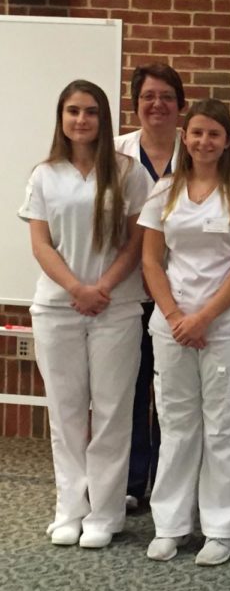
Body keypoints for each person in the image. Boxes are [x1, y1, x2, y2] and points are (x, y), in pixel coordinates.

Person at [139, 99, 230, 566]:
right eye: (196, 133)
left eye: (214, 134)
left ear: (228, 140)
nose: (203, 141)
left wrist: (204, 318)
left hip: (228, 326)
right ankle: (171, 524)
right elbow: (152, 260)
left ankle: (220, 529)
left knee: (224, 427)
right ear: (184, 136)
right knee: (176, 425)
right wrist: (176, 315)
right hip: (171, 327)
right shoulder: (165, 190)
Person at [19, 79, 151, 549]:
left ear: (104, 118)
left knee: (114, 412)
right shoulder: (44, 174)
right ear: (61, 117)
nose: (81, 119)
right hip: (57, 308)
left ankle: (106, 512)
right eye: (73, 111)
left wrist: (103, 288)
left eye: (91, 111)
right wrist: (77, 288)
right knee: (67, 414)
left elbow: (139, 242)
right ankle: (69, 509)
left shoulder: (129, 171)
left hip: (117, 308)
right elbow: (40, 243)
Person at [115, 62, 186, 510]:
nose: (156, 104)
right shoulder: (117, 153)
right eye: (147, 97)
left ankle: (166, 479)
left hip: (181, 295)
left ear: (180, 105)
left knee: (173, 393)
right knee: (131, 388)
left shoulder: (197, 150)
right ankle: (130, 480)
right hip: (126, 293)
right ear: (136, 104)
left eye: (166, 97)